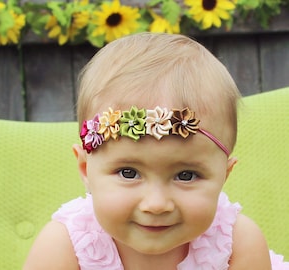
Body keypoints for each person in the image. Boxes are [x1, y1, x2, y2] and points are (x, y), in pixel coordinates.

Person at [23, 33, 289, 269]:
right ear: (85, 169)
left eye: (186, 175)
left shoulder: (237, 243)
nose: (157, 204)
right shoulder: (65, 246)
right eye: (128, 172)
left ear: (225, 175)